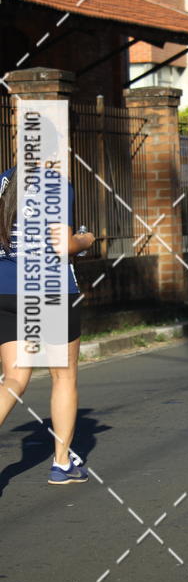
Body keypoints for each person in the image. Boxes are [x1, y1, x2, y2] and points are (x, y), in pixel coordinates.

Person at [0, 163, 95, 484]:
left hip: (6, 289)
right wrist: (85, 239)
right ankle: (62, 463)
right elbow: (63, 245)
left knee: (13, 379)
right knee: (63, 376)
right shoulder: (56, 183)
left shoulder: (4, 180)